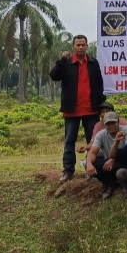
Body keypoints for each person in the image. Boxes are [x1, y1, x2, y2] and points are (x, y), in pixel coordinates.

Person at [49, 34, 105, 183]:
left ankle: (90, 169)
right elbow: (54, 76)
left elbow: (99, 85)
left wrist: (101, 105)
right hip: (71, 110)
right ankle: (68, 170)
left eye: (83, 45)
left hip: (91, 110)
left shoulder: (93, 63)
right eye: (78, 45)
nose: (81, 47)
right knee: (69, 141)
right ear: (73, 47)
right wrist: (61, 61)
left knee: (93, 141)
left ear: (87, 46)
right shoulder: (66, 63)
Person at [86, 112, 127, 199]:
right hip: (109, 162)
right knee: (93, 164)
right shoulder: (101, 134)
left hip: (125, 161)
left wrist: (113, 159)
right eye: (108, 123)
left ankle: (121, 183)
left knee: (124, 163)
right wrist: (89, 163)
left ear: (118, 122)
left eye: (113, 122)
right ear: (104, 125)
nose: (111, 125)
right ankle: (110, 184)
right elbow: (93, 152)